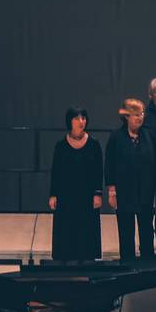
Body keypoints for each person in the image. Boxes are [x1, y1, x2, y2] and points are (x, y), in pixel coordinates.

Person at [48, 106, 103, 261]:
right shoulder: (60, 145)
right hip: (66, 196)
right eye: (77, 118)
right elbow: (56, 172)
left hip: (87, 196)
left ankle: (88, 263)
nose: (81, 121)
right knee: (66, 230)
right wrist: (53, 194)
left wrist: (98, 194)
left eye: (83, 118)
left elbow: (99, 172)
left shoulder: (94, 144)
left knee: (87, 230)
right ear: (69, 121)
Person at [104, 98, 156, 261]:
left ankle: (148, 267)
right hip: (124, 191)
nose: (140, 117)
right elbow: (110, 164)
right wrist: (112, 190)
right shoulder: (116, 136)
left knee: (147, 231)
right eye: (135, 114)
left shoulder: (148, 135)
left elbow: (155, 163)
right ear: (126, 117)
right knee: (126, 232)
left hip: (146, 191)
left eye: (141, 114)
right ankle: (128, 266)